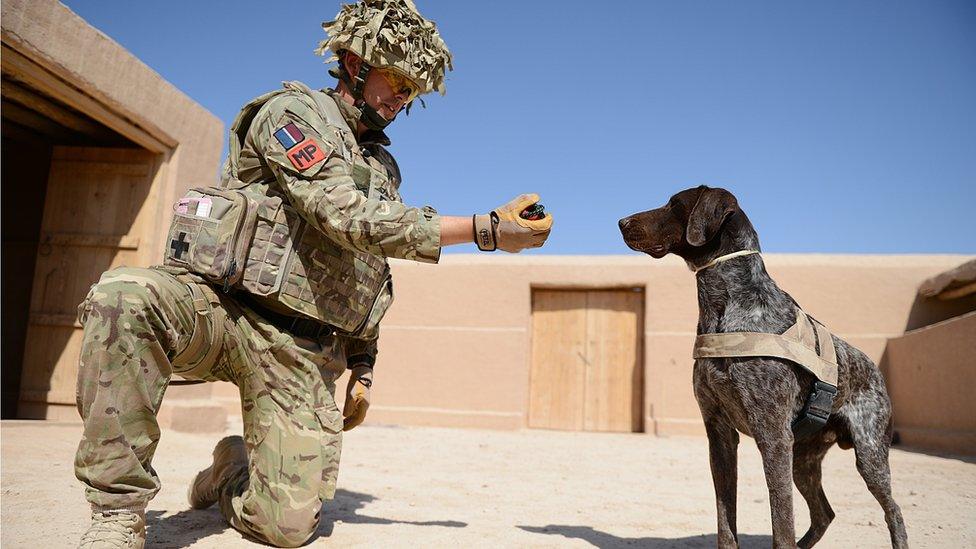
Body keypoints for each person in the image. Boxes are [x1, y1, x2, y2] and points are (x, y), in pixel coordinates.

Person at [75, 1, 553, 547]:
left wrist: (364, 364)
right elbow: (345, 215)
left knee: (286, 528)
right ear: (354, 62)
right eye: (395, 80)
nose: (401, 98)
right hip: (219, 310)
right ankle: (117, 512)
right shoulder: (291, 115)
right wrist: (483, 229)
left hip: (297, 347)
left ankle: (231, 468)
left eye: (412, 91)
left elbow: (367, 268)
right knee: (125, 295)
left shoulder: (381, 168)